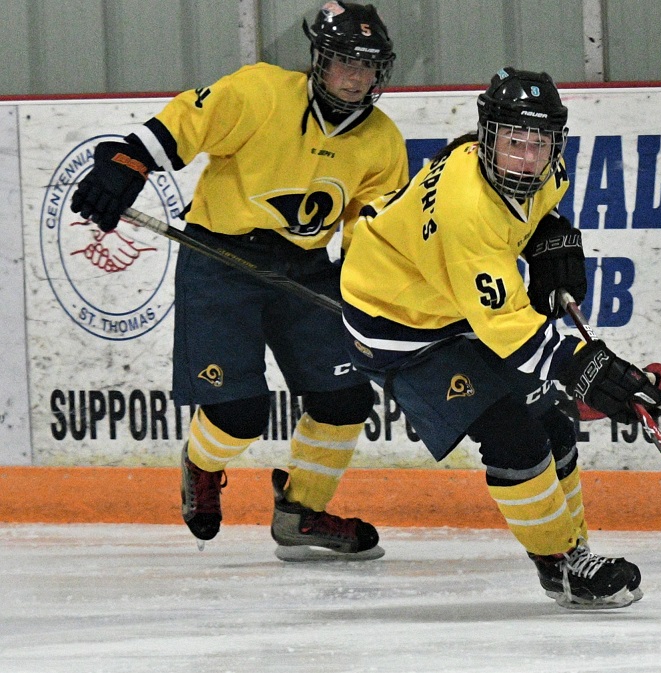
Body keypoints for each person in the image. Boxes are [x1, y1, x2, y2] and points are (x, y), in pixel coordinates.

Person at [69, 1, 408, 562]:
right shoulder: (260, 92)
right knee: (238, 413)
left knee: (345, 398)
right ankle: (202, 465)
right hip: (220, 261)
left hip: (304, 268)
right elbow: (185, 122)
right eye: (345, 61)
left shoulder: (383, 140)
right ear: (319, 61)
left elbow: (370, 234)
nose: (356, 76)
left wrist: (371, 293)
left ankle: (300, 517)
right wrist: (127, 164)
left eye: (369, 65)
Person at [338, 67, 661, 608]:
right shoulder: (467, 212)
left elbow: (536, 213)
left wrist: (550, 233)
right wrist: (589, 368)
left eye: (539, 143)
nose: (527, 159)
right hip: (397, 323)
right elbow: (516, 337)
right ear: (488, 136)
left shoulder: (540, 171)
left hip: (445, 303)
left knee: (553, 418)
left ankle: (575, 550)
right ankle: (559, 566)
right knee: (513, 430)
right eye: (514, 142)